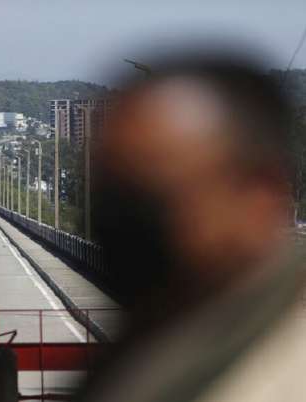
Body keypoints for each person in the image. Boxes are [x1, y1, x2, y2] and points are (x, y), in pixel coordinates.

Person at [79, 57, 306, 401]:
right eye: (113, 189)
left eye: (157, 188)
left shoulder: (277, 371)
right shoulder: (165, 344)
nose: (127, 215)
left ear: (260, 193)